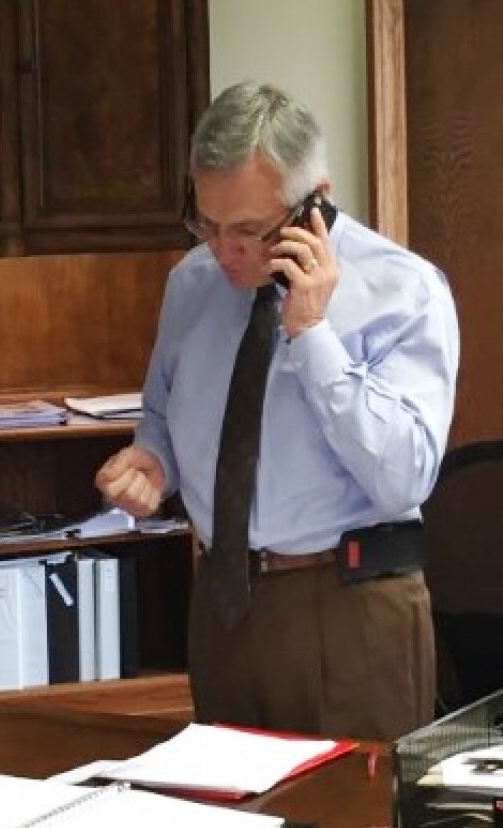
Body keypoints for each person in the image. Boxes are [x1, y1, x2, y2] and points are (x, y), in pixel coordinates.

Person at [94, 81, 460, 741]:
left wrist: (313, 334)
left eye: (248, 232)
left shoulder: (403, 290)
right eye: (206, 223)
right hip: (225, 602)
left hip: (349, 607)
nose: (223, 251)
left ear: (312, 202)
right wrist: (152, 460)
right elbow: (163, 413)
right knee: (225, 827)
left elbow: (404, 477)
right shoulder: (192, 285)